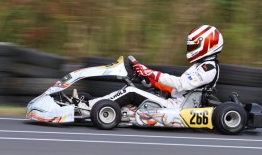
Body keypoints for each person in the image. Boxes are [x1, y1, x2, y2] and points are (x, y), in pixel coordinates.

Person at [80, 25, 223, 111]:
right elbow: (177, 89)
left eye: (194, 46)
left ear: (208, 46)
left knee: (131, 92)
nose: (190, 49)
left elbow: (182, 84)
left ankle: (89, 106)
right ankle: (93, 103)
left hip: (177, 108)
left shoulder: (208, 68)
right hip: (174, 100)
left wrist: (151, 72)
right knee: (129, 89)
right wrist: (149, 79)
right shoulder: (199, 66)